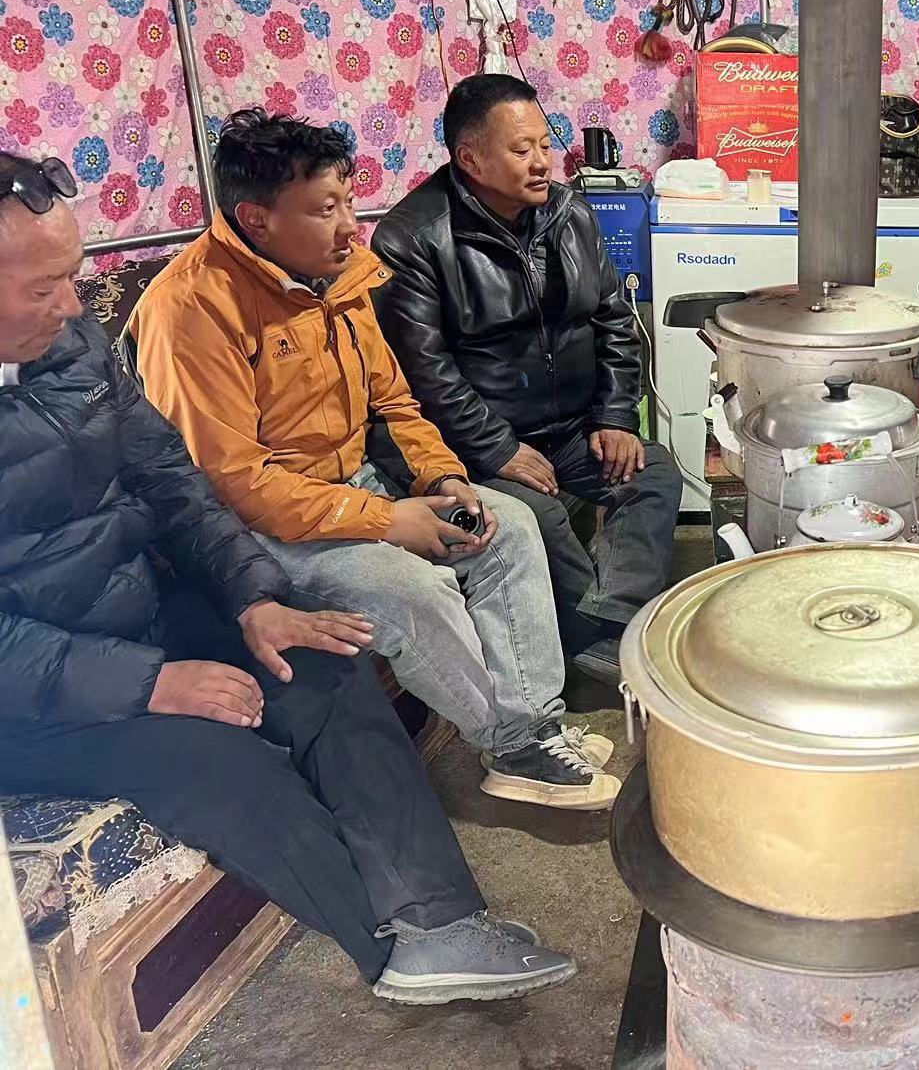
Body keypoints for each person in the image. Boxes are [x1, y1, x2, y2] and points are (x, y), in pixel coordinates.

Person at [0, 153, 580, 1003]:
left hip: (131, 612)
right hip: (32, 696)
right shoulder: (196, 303)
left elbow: (172, 482)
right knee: (219, 760)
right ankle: (387, 951)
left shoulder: (74, 349)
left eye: (73, 278)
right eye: (42, 288)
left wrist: (253, 599)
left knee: (321, 661)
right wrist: (151, 681)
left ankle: (440, 923)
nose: (71, 306)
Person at [126, 110, 618, 811]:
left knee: (506, 525)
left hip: (353, 487)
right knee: (412, 589)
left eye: (348, 201)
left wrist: (442, 476)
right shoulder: (192, 309)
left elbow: (395, 400)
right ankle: (512, 745)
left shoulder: (340, 276)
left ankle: (533, 727)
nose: (349, 226)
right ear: (257, 220)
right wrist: (387, 520)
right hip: (256, 527)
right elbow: (232, 482)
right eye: (324, 210)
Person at [372, 74, 680, 686]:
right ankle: (606, 647)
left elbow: (615, 320)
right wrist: (498, 449)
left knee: (653, 473)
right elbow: (425, 373)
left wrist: (615, 416)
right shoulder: (413, 239)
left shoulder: (570, 214)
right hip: (474, 444)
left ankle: (606, 629)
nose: (543, 162)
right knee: (537, 516)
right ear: (470, 158)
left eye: (545, 143)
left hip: (572, 428)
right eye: (521, 149)